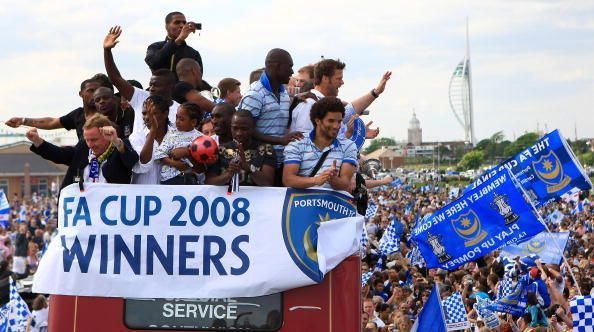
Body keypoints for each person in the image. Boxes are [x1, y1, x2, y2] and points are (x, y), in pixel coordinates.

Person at [238, 48, 303, 185]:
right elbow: (245, 131)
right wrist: (280, 140)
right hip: (259, 166)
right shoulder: (255, 95)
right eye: (289, 67)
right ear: (275, 66)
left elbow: (278, 119)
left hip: (281, 163)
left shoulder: (283, 92)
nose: (292, 72)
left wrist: (298, 99)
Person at [103, 26, 179, 139]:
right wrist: (107, 51)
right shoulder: (141, 97)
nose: (152, 88)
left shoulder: (179, 110)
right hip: (135, 155)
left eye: (156, 85)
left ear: (170, 87)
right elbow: (115, 78)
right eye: (151, 84)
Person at [27, 113, 138, 190]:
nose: (90, 144)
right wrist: (37, 141)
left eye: (94, 140)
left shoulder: (120, 147)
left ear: (107, 135)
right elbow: (59, 154)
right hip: (84, 214)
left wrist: (116, 141)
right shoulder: (83, 149)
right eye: (87, 140)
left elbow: (133, 162)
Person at [289, 58, 390, 138]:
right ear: (325, 78)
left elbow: (351, 110)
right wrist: (347, 135)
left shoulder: (322, 103)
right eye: (339, 78)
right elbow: (306, 144)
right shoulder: (309, 104)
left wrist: (376, 92)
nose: (342, 82)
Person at [282, 97, 357, 191]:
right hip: (301, 203)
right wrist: (316, 180)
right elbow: (288, 180)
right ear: (317, 121)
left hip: (333, 204)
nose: (336, 126)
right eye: (331, 121)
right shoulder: (298, 142)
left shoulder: (348, 146)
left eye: (339, 121)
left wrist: (333, 179)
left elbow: (345, 185)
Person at [4, 78, 101, 140]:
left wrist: (107, 51)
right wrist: (22, 120)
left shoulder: (108, 112)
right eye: (90, 91)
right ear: (81, 94)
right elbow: (50, 122)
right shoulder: (78, 114)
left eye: (97, 91)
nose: (94, 94)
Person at [206, 110, 275, 187]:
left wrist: (247, 166)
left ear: (253, 128)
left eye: (244, 129)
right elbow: (209, 182)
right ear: (230, 128)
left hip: (257, 198)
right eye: (235, 128)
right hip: (227, 198)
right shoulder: (221, 150)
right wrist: (229, 173)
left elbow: (268, 182)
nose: (239, 133)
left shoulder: (266, 149)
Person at [153, 103, 203, 185]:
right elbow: (159, 154)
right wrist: (175, 164)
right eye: (176, 117)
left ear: (193, 122)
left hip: (189, 179)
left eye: (181, 119)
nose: (177, 121)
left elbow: (202, 166)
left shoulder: (200, 138)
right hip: (169, 180)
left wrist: (188, 152)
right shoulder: (172, 134)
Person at [129, 95, 171, 184]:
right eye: (144, 113)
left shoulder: (177, 135)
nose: (147, 117)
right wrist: (153, 131)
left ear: (165, 114)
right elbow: (143, 165)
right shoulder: (136, 136)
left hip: (171, 195)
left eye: (153, 113)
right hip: (143, 195)